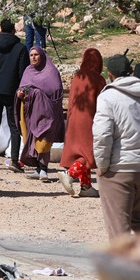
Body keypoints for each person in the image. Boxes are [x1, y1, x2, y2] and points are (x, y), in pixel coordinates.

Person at [93, 53, 140, 240]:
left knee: (119, 227)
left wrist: (102, 166)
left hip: (119, 169)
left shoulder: (108, 97)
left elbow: (103, 136)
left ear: (110, 74)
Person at [0, 18, 29, 171]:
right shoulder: (20, 49)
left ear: (0, 29)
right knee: (14, 126)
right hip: (12, 92)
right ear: (14, 30)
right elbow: (23, 73)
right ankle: (14, 160)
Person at [58, 49, 105, 198]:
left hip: (73, 119)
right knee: (89, 152)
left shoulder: (78, 76)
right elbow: (103, 102)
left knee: (79, 150)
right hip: (89, 120)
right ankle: (70, 174)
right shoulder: (98, 79)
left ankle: (86, 186)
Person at [15, 46, 65, 181]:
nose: (33, 57)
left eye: (36, 55)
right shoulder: (28, 71)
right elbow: (22, 87)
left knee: (43, 140)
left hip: (46, 113)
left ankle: (44, 169)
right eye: (31, 55)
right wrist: (20, 93)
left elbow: (56, 90)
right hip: (30, 113)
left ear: (42, 56)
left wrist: (36, 93)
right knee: (32, 139)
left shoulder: (51, 71)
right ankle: (38, 168)